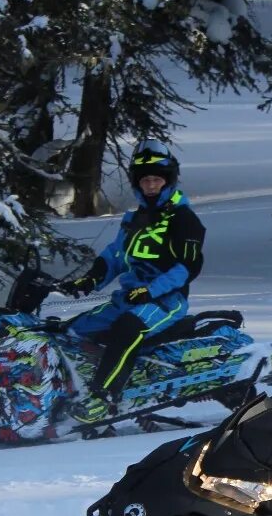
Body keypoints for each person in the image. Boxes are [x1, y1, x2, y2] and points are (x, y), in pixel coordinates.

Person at [58, 139, 206, 422]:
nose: (151, 185)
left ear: (168, 180)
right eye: (146, 180)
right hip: (131, 296)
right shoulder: (135, 219)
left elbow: (187, 268)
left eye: (156, 180)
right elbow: (115, 256)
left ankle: (104, 397)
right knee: (73, 331)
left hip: (167, 299)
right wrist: (89, 281)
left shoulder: (184, 219)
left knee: (128, 328)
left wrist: (150, 291)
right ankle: (67, 391)